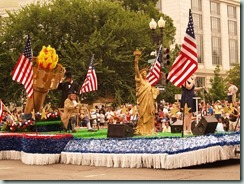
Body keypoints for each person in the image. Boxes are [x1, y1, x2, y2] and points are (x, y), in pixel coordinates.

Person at [134, 49, 159, 136]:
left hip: (149, 101)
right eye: (143, 73)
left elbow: (153, 91)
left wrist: (155, 91)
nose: (145, 74)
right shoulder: (140, 80)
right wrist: (136, 62)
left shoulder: (148, 83)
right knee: (143, 114)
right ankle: (142, 130)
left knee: (151, 114)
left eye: (146, 73)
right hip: (143, 101)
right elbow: (137, 71)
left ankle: (150, 130)